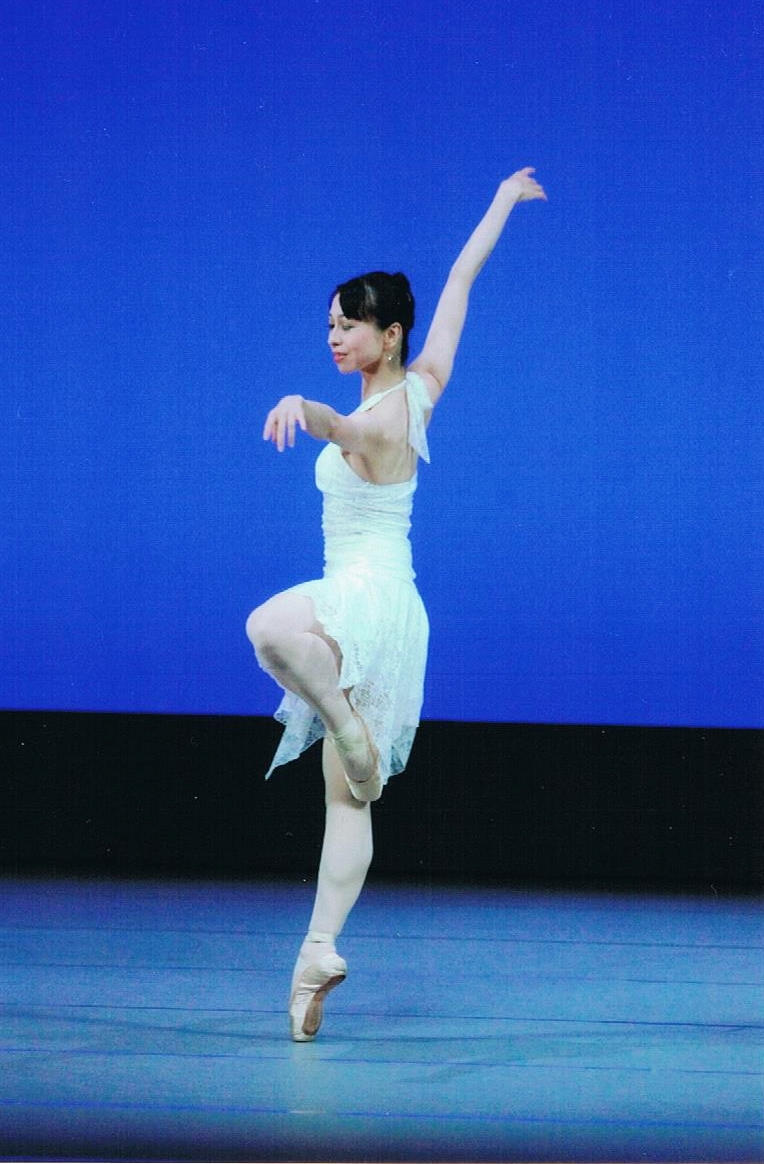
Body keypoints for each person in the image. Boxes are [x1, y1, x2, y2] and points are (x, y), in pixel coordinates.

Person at [246, 166, 546, 1041]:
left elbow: (338, 427)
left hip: (364, 595)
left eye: (349, 325)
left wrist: (300, 404)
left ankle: (346, 726)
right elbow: (460, 278)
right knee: (348, 802)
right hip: (396, 612)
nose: (335, 336)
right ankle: (315, 956)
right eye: (330, 326)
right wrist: (500, 200)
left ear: (389, 333)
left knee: (268, 630)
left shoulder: (379, 419)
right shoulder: (426, 387)